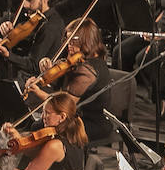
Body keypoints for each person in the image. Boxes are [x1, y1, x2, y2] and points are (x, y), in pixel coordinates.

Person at [24, 17, 111, 145]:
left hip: (88, 121)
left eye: (73, 40)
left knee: (38, 128)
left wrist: (37, 92)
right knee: (36, 125)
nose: (68, 44)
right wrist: (47, 71)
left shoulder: (88, 70)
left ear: (86, 40)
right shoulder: (79, 61)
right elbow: (59, 86)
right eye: (67, 39)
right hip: (74, 116)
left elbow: (64, 105)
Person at [7, 92, 88, 170]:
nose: (42, 117)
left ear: (62, 117)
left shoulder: (55, 145)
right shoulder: (70, 136)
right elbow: (38, 155)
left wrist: (1, 167)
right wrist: (18, 138)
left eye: (47, 113)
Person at [0, 0, 64, 78]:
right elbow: (14, 19)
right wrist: (7, 25)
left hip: (33, 78)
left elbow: (34, 65)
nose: (25, 5)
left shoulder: (50, 27)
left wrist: (8, 55)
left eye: (30, 0)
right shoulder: (32, 14)